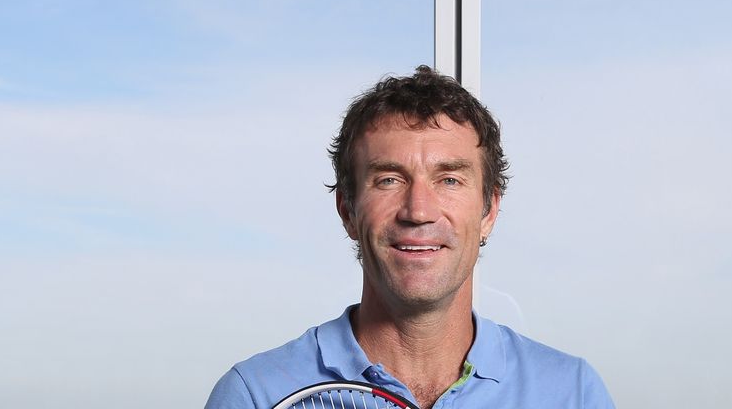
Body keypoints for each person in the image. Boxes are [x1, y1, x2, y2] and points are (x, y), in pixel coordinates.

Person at [205, 66, 615, 409]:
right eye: (388, 179)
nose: (418, 210)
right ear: (348, 210)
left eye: (449, 179)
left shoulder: (573, 393)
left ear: (489, 210)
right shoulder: (254, 395)